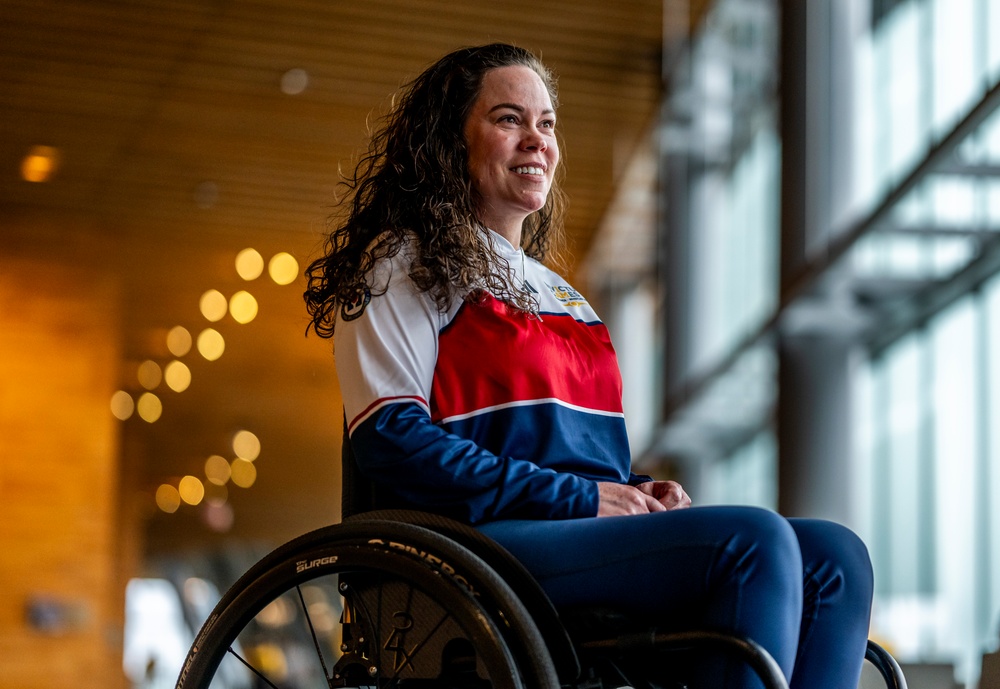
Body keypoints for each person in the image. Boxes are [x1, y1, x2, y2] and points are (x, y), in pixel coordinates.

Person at [304, 43, 873, 689]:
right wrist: (580, 496)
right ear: (448, 140)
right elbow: (391, 441)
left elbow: (574, 451)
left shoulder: (562, 295)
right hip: (481, 543)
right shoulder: (402, 265)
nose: (536, 140)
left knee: (836, 556)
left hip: (571, 527)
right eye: (509, 119)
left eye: (546, 124)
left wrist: (638, 485)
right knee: (752, 542)